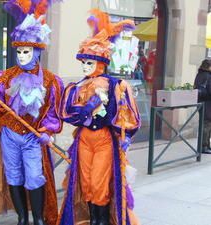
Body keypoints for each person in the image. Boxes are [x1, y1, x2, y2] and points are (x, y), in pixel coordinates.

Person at [0, 1, 64, 225]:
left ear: (37, 52)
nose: (22, 56)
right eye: (20, 51)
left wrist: (48, 131)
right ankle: (22, 218)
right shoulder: (4, 77)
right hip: (9, 135)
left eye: (27, 51)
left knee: (34, 176)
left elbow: (55, 111)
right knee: (14, 175)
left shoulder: (51, 80)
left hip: (33, 137)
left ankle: (39, 219)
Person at [57, 9, 141, 225]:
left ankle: (101, 221)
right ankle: (93, 219)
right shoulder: (77, 87)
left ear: (101, 63)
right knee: (85, 182)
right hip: (84, 138)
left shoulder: (116, 86)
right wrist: (88, 108)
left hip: (104, 139)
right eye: (83, 63)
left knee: (99, 182)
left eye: (90, 63)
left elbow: (126, 113)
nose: (85, 67)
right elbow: (68, 112)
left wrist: (126, 136)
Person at [194, 59, 211, 154]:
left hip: (200, 102)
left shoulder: (199, 74)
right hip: (208, 103)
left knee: (205, 124)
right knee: (207, 125)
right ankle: (204, 146)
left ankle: (206, 145)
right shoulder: (208, 76)